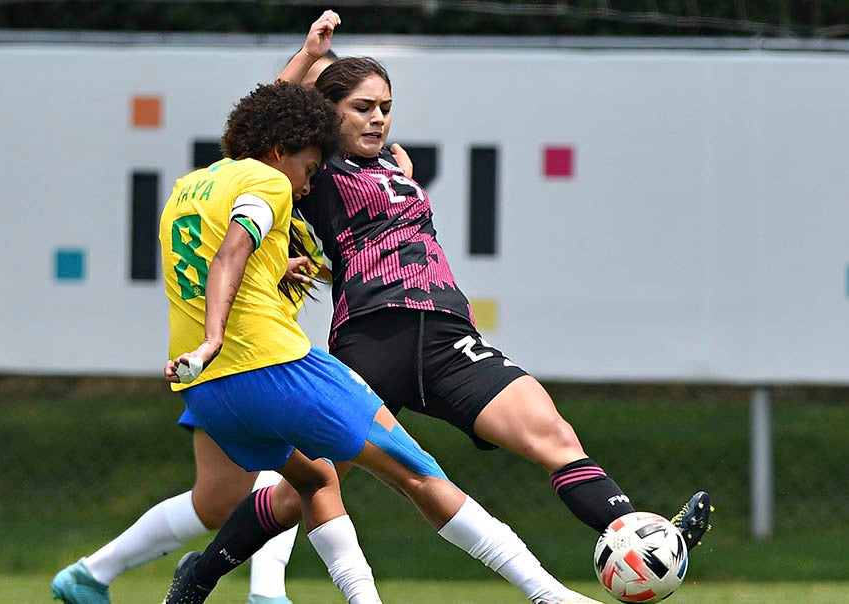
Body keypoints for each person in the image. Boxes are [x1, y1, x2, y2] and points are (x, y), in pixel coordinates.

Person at [172, 24, 714, 599]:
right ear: (326, 117)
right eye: (362, 108)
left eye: (386, 107)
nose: (378, 119)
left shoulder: (392, 168)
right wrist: (307, 59)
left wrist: (399, 178)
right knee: (305, 485)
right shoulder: (316, 169)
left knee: (553, 433)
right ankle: (202, 575)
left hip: (448, 335)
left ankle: (638, 541)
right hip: (372, 337)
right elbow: (254, 141)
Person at [50, 14, 346, 604]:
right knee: (301, 461)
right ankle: (268, 592)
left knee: (215, 502)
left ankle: (88, 575)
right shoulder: (279, 171)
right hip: (247, 351)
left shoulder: (308, 171)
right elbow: (263, 129)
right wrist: (307, 55)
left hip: (218, 361)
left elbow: (261, 129)